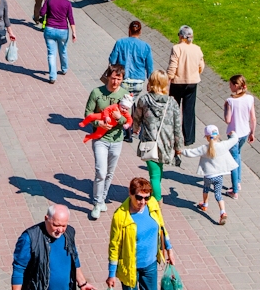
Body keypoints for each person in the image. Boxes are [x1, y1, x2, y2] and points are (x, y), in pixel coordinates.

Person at [106, 177, 176, 290]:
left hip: (150, 263)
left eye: (146, 197)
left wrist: (169, 248)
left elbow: (162, 227)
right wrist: (111, 274)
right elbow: (114, 246)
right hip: (130, 268)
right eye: (139, 197)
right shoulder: (121, 216)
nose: (142, 202)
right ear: (130, 194)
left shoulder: (152, 206)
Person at [130, 70, 183, 201]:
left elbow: (137, 118)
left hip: (149, 142)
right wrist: (178, 146)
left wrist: (135, 129)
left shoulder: (144, 100)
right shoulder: (172, 102)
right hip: (166, 143)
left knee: (154, 175)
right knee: (159, 171)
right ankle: (155, 196)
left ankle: (157, 201)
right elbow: (177, 126)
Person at [84, 64, 127, 220]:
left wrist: (118, 118)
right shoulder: (96, 92)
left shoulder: (125, 95)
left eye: (119, 79)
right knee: (100, 171)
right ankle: (97, 202)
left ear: (122, 79)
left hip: (117, 139)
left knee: (110, 172)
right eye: (113, 78)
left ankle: (102, 198)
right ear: (108, 76)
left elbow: (128, 121)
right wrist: (98, 124)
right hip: (100, 138)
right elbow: (88, 113)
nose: (115, 82)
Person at [108, 20, 154, 142]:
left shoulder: (120, 42)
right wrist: (150, 81)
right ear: (140, 31)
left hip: (124, 79)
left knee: (123, 105)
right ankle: (134, 128)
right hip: (138, 81)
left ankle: (126, 131)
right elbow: (149, 66)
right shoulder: (145, 46)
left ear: (129, 30)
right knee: (132, 103)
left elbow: (112, 59)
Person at [167, 25, 204, 148]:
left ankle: (172, 134)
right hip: (192, 83)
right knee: (189, 111)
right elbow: (201, 66)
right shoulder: (197, 49)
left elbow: (173, 65)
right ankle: (189, 138)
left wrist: (169, 78)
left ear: (181, 36)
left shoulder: (177, 48)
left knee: (174, 109)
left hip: (177, 83)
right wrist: (195, 73)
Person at [223, 74, 257, 199]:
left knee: (233, 160)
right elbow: (253, 118)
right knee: (238, 156)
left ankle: (235, 190)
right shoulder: (250, 98)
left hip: (233, 134)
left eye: (231, 84)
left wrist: (225, 108)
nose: (229, 86)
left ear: (236, 85)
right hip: (245, 132)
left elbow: (227, 120)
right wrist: (252, 132)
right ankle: (238, 181)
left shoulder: (230, 101)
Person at [39, 0, 76, 83]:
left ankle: (52, 76)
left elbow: (42, 13)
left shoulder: (49, 0)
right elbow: (71, 19)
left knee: (51, 53)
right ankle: (64, 69)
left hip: (50, 29)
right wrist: (74, 32)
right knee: (63, 50)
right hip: (63, 30)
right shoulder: (67, 3)